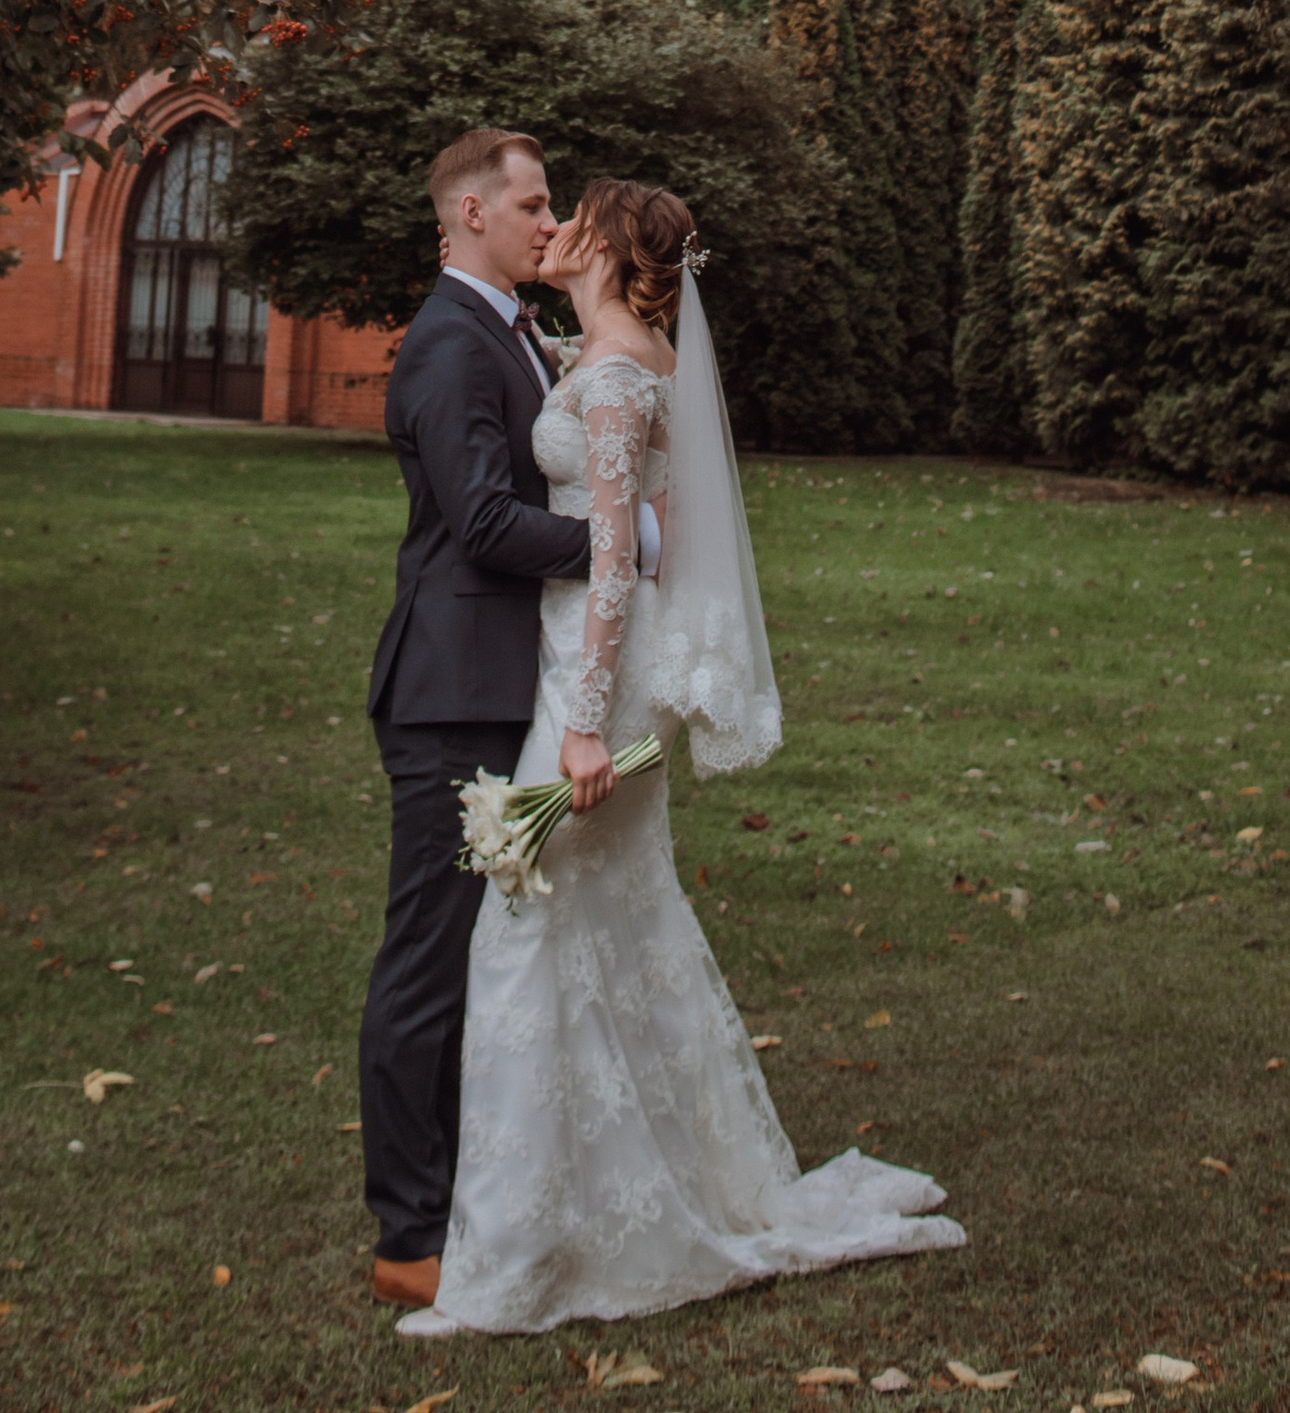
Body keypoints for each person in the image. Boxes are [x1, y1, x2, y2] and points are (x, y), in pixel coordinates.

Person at [395, 173, 964, 1339]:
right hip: (595, 659)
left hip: (593, 671)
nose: (554, 225)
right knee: (613, 926)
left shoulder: (612, 370)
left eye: (572, 213)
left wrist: (584, 723)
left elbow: (613, 559)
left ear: (607, 247)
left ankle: (523, 1251)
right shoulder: (618, 352)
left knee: (525, 935)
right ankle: (632, 1188)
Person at [357, 126, 663, 1311]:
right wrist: (626, 543)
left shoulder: (513, 329)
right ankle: (408, 1234)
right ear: (471, 213)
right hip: (451, 692)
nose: (551, 221)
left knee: (489, 954)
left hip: (504, 680)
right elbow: (482, 522)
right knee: (429, 961)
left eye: (550, 204)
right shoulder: (447, 341)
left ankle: (478, 1192)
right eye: (532, 204)